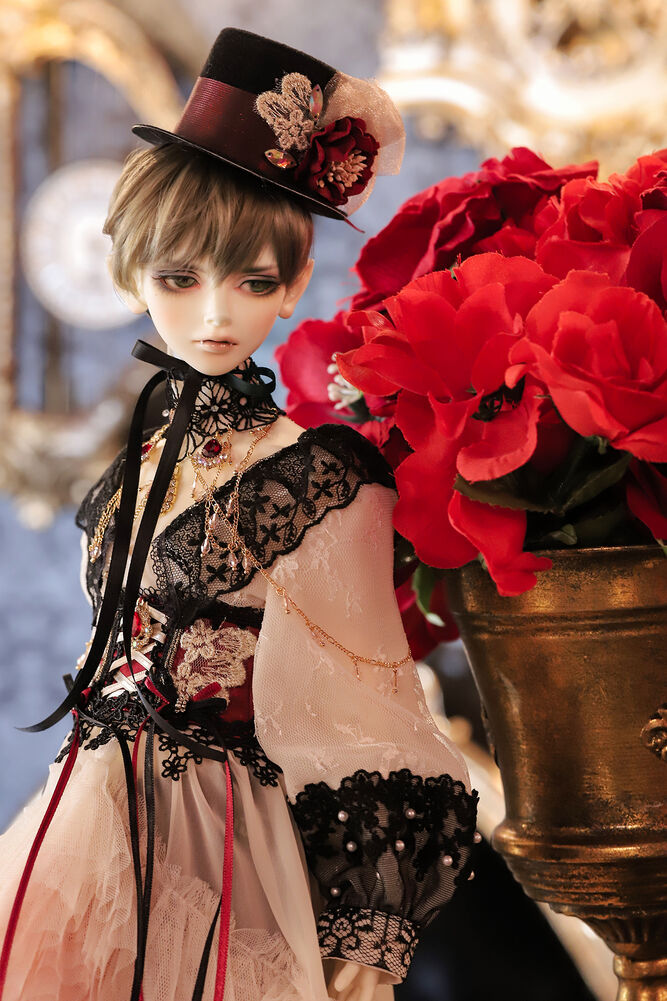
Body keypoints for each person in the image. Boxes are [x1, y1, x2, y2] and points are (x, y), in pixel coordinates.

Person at [0, 27, 478, 1001]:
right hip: (86, 831)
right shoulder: (137, 467)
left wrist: (364, 936)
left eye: (251, 280)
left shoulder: (318, 478)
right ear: (133, 275)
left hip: (221, 843)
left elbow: (368, 714)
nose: (214, 312)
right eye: (179, 278)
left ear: (294, 284)